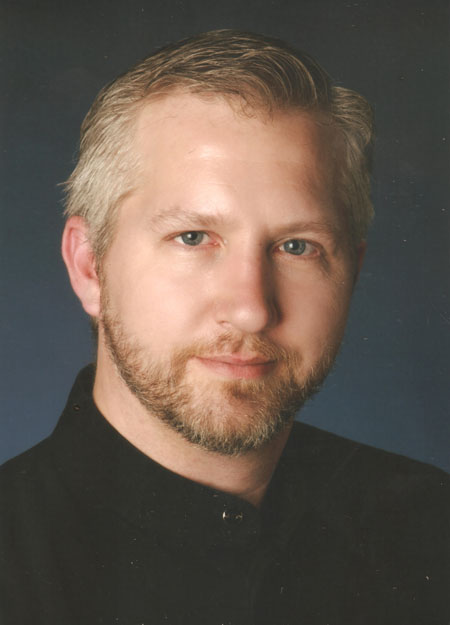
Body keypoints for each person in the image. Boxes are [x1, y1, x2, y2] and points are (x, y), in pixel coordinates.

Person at [0, 29, 448, 625]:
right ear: (90, 266)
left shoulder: (432, 525)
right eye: (193, 237)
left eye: (297, 246)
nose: (251, 309)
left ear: (352, 273)